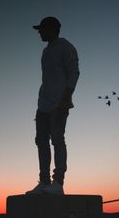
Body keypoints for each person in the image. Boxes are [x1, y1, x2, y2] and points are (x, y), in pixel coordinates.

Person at [26, 16, 80, 195]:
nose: (39, 32)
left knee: (57, 139)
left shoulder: (65, 47)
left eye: (42, 29)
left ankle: (58, 183)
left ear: (52, 29)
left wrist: (66, 99)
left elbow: (74, 72)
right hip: (43, 104)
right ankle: (44, 182)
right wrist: (42, 102)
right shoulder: (46, 51)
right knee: (41, 141)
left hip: (59, 102)